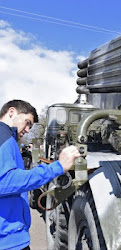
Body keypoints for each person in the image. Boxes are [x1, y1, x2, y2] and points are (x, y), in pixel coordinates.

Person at [0, 100, 80, 250]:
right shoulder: (2, 136)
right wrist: (58, 167)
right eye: (27, 122)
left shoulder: (7, 137)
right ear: (11, 112)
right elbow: (4, 182)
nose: (28, 130)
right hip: (7, 240)